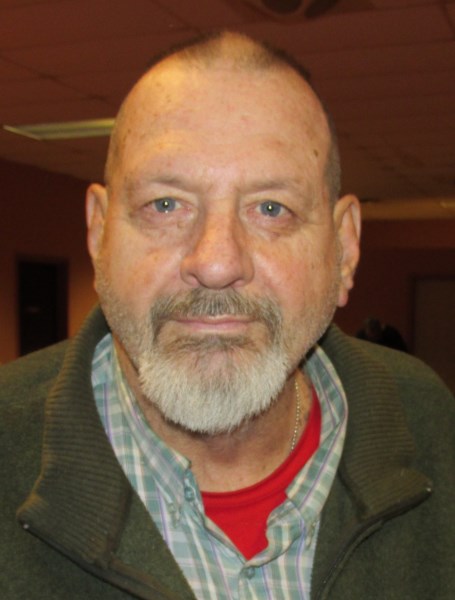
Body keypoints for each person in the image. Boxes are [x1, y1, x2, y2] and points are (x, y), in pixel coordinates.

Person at [1, 31, 454, 600]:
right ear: (99, 235)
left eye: (271, 208)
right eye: (166, 204)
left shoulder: (431, 423)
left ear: (344, 249)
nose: (216, 263)